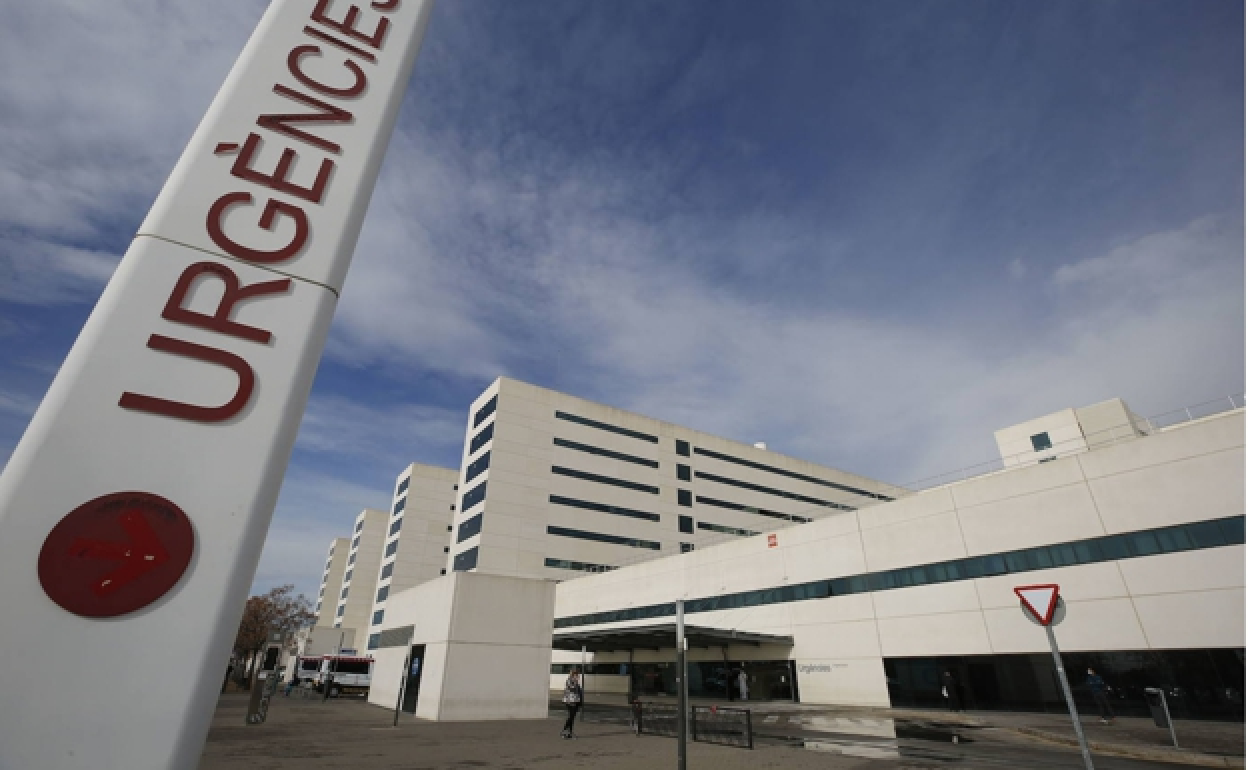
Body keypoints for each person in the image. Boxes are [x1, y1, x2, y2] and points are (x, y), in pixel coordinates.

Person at [561, 670, 583, 739]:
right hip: (570, 701)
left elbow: (579, 693)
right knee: (571, 716)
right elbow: (571, 688)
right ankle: (565, 730)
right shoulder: (570, 681)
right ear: (573, 676)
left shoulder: (576, 683)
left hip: (575, 701)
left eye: (578, 676)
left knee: (572, 717)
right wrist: (575, 682)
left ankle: (569, 732)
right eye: (577, 676)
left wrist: (580, 702)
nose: (578, 677)